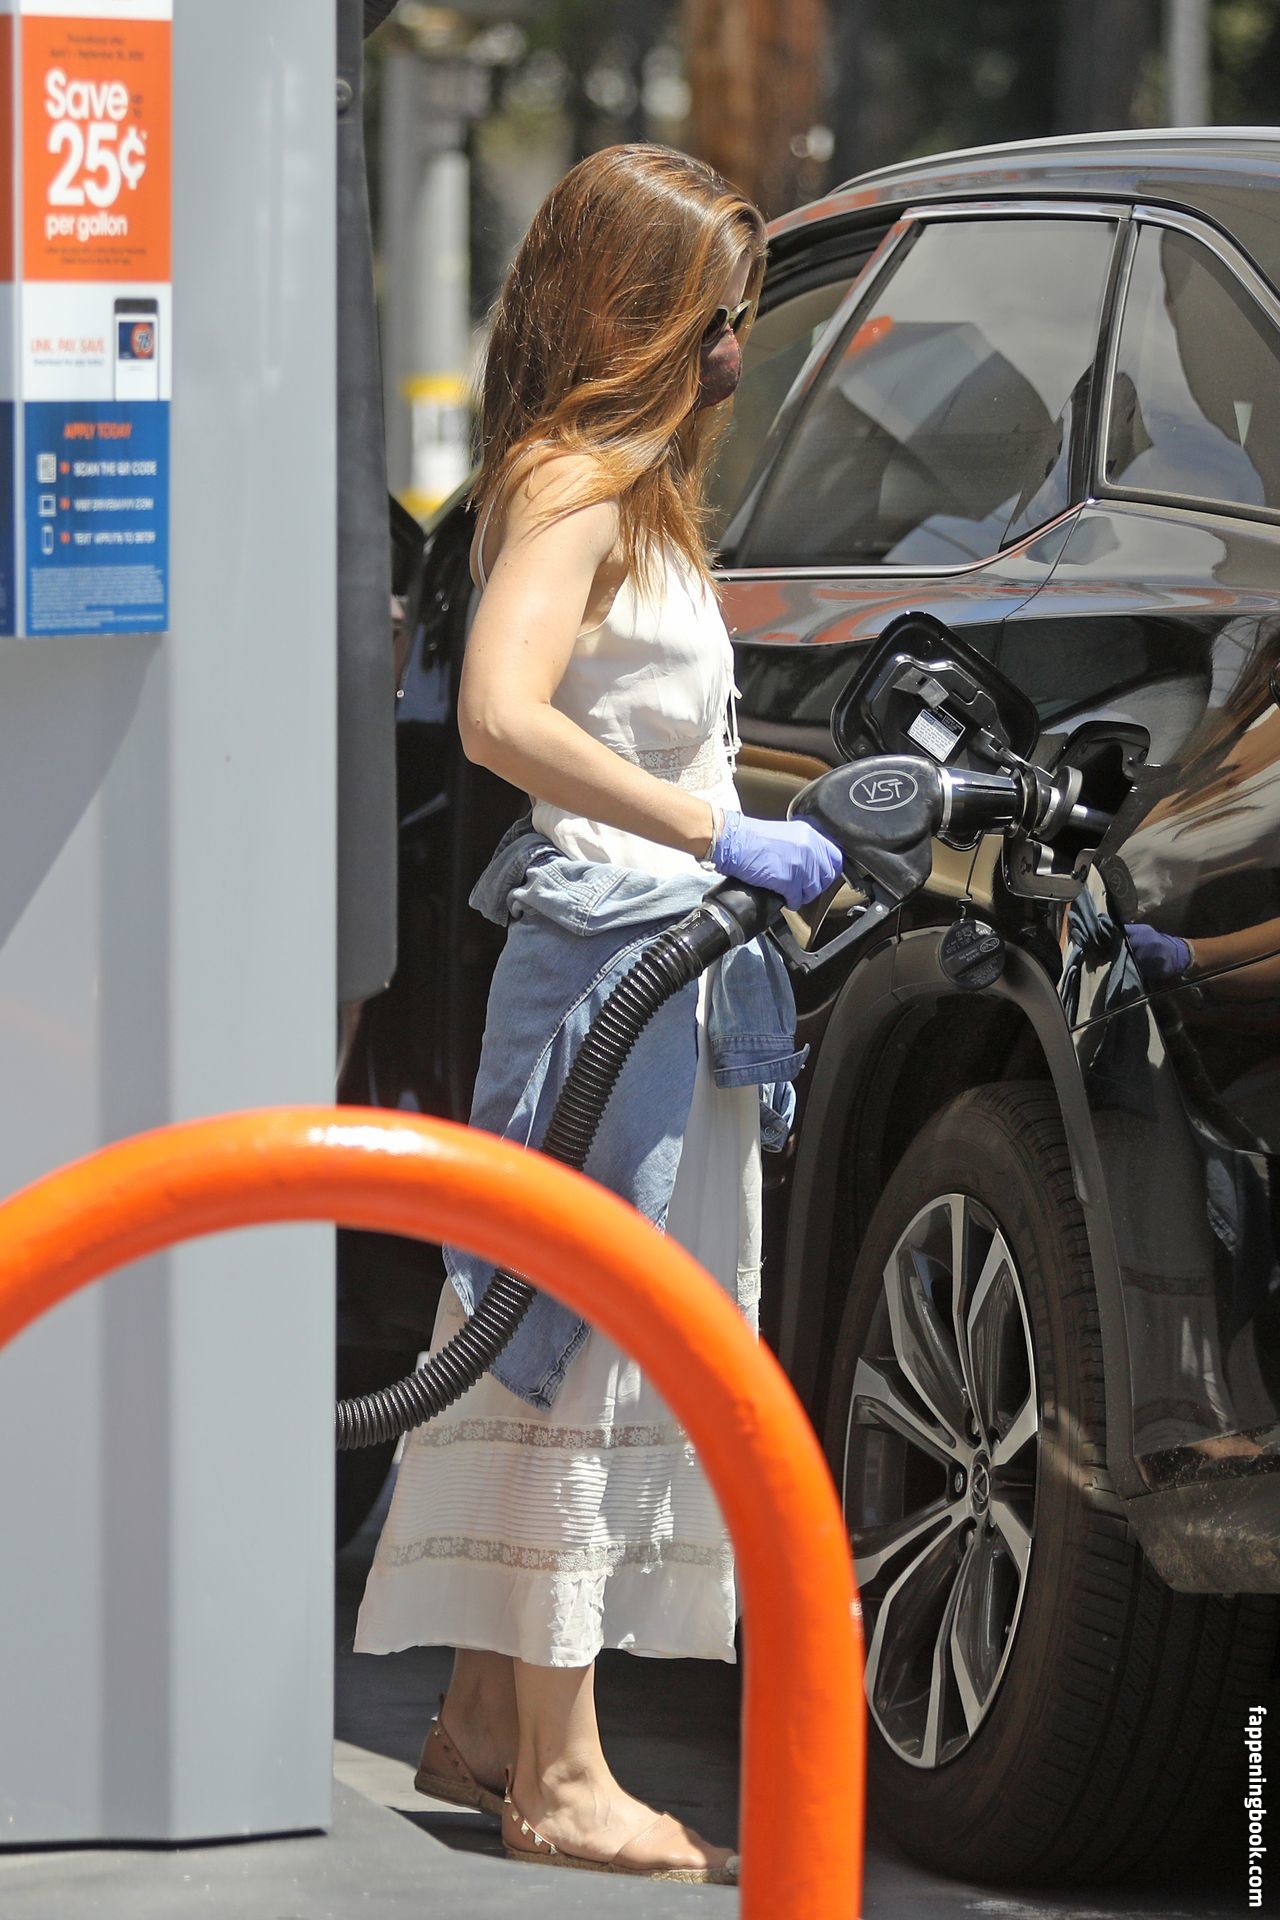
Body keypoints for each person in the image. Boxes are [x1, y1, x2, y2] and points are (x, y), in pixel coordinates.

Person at [354, 143, 842, 1884]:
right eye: (712, 317)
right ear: (633, 311)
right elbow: (502, 713)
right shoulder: (573, 482)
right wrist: (716, 832)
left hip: (657, 972)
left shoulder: (624, 490)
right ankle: (560, 1777)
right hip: (609, 973)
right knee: (580, 1339)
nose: (735, 352)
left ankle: (485, 1721)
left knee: (556, 1334)